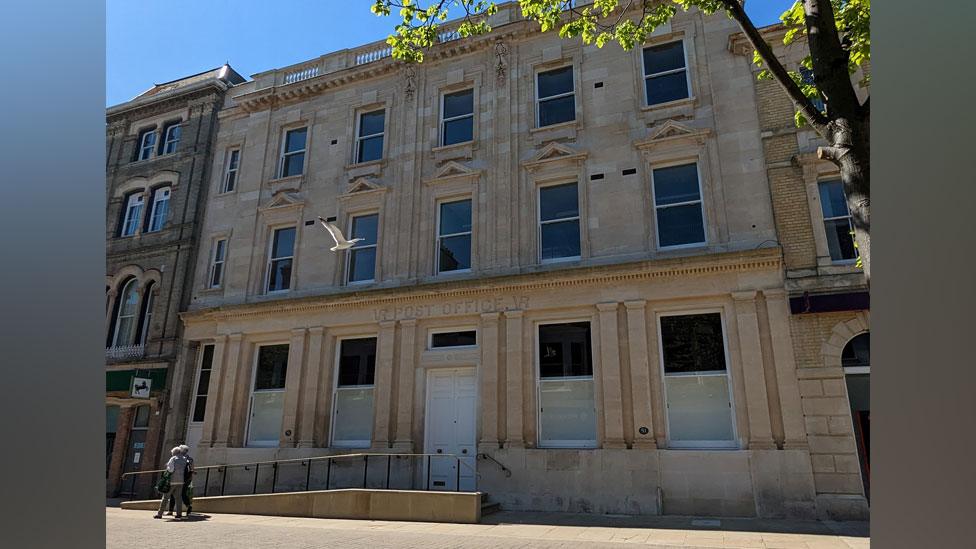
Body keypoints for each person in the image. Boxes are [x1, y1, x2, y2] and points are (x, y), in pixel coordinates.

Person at [155, 446, 188, 519]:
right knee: (178, 498)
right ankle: (179, 514)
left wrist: (167, 467)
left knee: (165, 497)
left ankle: (160, 514)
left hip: (172, 481)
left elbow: (170, 469)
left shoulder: (173, 458)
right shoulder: (184, 459)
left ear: (174, 453)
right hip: (180, 481)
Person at [168, 444, 195, 515]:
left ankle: (171, 510)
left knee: (174, 493)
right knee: (182, 493)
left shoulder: (179, 458)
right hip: (187, 479)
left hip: (179, 478)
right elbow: (192, 469)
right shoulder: (190, 459)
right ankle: (188, 506)